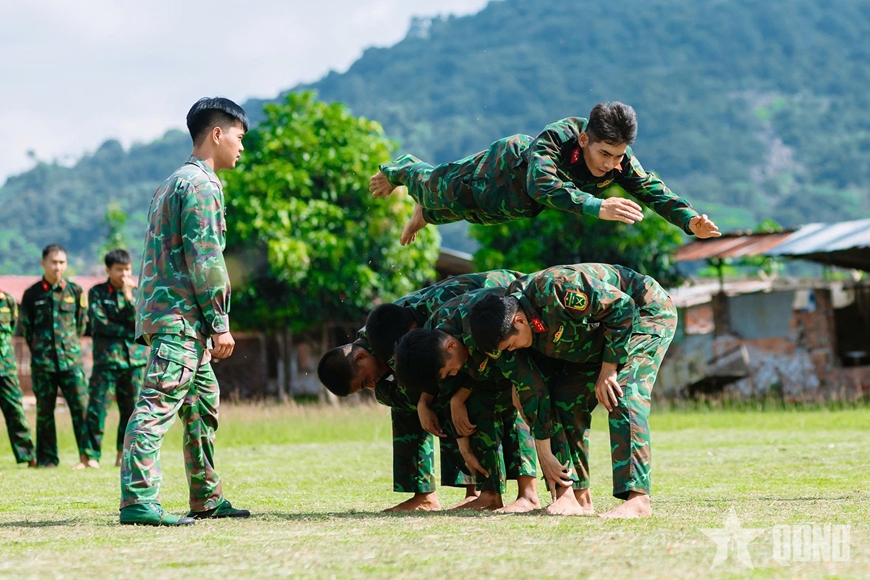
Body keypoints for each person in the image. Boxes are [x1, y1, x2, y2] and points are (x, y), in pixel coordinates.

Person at [119, 97, 250, 526]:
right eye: (238, 137)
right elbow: (206, 258)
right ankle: (139, 501)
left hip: (172, 317)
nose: (241, 147)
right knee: (156, 406)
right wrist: (220, 323)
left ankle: (206, 497)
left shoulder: (172, 182)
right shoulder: (201, 185)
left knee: (201, 406)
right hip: (181, 319)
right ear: (217, 134)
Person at [468, 263, 678, 519]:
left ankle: (638, 499)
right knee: (565, 400)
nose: (511, 351)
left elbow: (622, 307)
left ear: (520, 321)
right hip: (599, 336)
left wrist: (609, 369)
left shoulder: (557, 287)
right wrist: (544, 452)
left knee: (623, 393)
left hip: (644, 313)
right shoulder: (507, 324)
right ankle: (578, 497)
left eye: (511, 345)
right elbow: (533, 390)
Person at [370, 101, 720, 245]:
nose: (611, 164)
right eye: (604, 154)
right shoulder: (558, 136)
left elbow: (652, 190)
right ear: (584, 139)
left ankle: (425, 214)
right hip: (498, 171)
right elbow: (541, 185)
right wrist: (597, 206)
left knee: (470, 215)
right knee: (437, 188)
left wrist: (690, 222)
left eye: (618, 156)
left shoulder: (620, 162)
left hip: (513, 204)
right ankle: (402, 168)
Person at [317, 271, 521, 512]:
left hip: (499, 308)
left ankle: (476, 489)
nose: (371, 386)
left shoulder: (399, 334)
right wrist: (421, 402)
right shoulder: (376, 339)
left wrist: (429, 402)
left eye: (364, 383)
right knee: (407, 404)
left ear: (361, 357)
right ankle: (424, 495)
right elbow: (415, 384)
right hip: (450, 355)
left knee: (456, 399)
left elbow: (444, 370)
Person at [393, 290, 542, 513]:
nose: (453, 374)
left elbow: (508, 363)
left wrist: (460, 397)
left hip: (523, 348)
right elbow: (447, 385)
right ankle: (490, 494)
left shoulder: (476, 328)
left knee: (512, 403)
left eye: (450, 369)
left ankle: (528, 495)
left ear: (450, 346)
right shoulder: (435, 334)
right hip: (493, 362)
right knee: (475, 407)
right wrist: (459, 434)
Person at [19, 244, 89, 469]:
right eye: (53, 262)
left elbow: (80, 325)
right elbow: (27, 329)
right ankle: (48, 459)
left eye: (62, 262)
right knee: (45, 412)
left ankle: (87, 457)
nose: (57, 267)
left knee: (81, 407)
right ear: (43, 263)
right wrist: (41, 351)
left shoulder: (75, 292)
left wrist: (69, 347)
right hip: (44, 363)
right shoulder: (32, 294)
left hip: (71, 361)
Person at [84, 249, 149, 468]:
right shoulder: (97, 293)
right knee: (97, 408)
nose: (124, 274)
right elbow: (98, 324)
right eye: (119, 270)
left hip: (134, 362)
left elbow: (142, 322)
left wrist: (129, 297)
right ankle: (90, 456)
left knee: (131, 411)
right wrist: (128, 329)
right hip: (107, 361)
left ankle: (124, 454)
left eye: (127, 269)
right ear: (108, 270)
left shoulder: (137, 292)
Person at [0, 287, 36, 467]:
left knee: (15, 410)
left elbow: (13, 328)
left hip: (5, 367)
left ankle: (28, 455)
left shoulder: (7, 300)